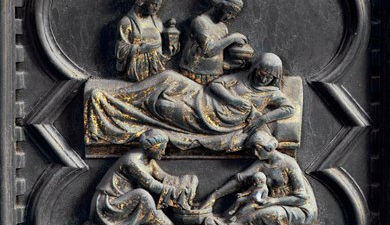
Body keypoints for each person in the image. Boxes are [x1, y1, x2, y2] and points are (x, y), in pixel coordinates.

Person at [85, 53, 295, 152]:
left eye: (269, 76)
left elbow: (288, 108)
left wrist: (263, 118)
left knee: (163, 106)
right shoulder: (241, 78)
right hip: (202, 95)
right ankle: (118, 96)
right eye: (261, 73)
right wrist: (235, 99)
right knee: (168, 77)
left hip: (210, 120)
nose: (263, 79)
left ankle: (118, 109)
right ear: (256, 68)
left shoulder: (271, 92)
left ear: (275, 77)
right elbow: (216, 85)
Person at [202, 131, 318, 225]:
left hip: (298, 210)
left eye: (258, 149)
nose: (255, 153)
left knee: (266, 215)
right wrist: (214, 196)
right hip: (269, 203)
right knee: (240, 209)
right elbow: (240, 180)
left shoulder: (289, 164)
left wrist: (274, 201)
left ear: (268, 148)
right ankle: (227, 224)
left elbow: (301, 198)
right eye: (253, 149)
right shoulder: (262, 163)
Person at [86, 129, 198, 225]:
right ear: (153, 147)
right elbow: (151, 185)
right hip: (108, 206)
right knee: (143, 195)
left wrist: (188, 180)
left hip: (124, 203)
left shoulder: (149, 161)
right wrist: (177, 192)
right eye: (161, 149)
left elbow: (165, 178)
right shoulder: (132, 161)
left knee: (144, 195)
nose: (164, 152)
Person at [179, 0, 253, 84]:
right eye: (229, 12)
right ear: (219, 5)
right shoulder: (200, 22)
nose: (231, 17)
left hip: (214, 75)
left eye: (234, 15)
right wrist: (233, 38)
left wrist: (230, 64)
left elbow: (219, 52)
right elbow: (208, 50)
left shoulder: (223, 27)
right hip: (194, 74)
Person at [116, 0, 178, 82]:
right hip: (137, 73)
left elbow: (163, 47)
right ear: (143, 1)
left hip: (157, 70)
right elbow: (120, 50)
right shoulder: (127, 22)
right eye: (153, 3)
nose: (156, 7)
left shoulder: (156, 21)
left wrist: (172, 46)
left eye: (159, 4)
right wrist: (141, 49)